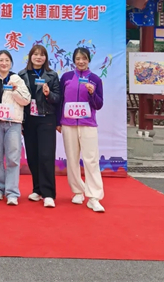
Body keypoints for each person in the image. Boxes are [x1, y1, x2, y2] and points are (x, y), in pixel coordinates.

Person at [59, 47, 105, 213]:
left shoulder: (95, 79)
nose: (81, 61)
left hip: (88, 124)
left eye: (84, 58)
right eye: (78, 58)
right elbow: (60, 101)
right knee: (72, 159)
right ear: (74, 60)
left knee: (91, 160)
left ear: (89, 60)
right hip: (68, 124)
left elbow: (99, 105)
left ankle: (94, 197)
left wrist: (92, 94)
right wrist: (58, 122)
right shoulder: (66, 77)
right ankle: (78, 191)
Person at [19, 44, 61, 208]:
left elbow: (57, 98)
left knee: (46, 156)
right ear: (30, 56)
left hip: (46, 119)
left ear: (46, 58)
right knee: (32, 156)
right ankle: (37, 189)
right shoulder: (22, 75)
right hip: (29, 120)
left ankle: (48, 193)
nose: (38, 57)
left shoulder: (52, 75)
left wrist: (48, 94)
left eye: (42, 55)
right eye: (35, 54)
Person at [0, 50, 31, 205]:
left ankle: (12, 192)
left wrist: (15, 90)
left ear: (11, 63)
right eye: (1, 60)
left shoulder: (16, 79)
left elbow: (26, 100)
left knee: (13, 158)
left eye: (7, 60)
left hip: (13, 123)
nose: (4, 63)